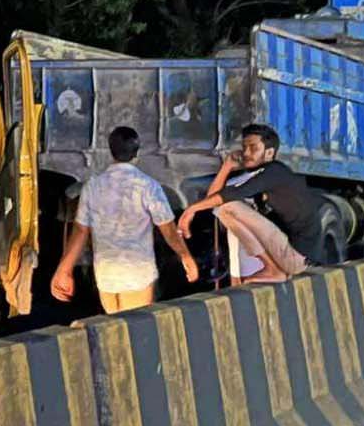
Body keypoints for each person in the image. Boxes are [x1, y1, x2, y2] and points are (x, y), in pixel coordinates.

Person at [50, 126, 198, 313]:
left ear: (111, 151)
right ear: (137, 152)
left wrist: (64, 270)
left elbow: (80, 231)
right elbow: (167, 229)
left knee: (114, 331)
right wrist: (185, 256)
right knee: (138, 333)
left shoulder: (92, 186)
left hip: (106, 273)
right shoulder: (147, 186)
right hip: (138, 272)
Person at [175, 123, 331, 267]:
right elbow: (214, 197)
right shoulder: (253, 175)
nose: (246, 153)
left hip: (299, 257)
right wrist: (227, 167)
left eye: (253, 148)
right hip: (283, 249)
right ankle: (241, 278)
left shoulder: (274, 172)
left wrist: (190, 210)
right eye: (244, 147)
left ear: (269, 152)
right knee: (223, 207)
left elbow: (233, 194)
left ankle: (270, 271)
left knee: (229, 207)